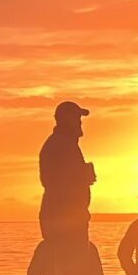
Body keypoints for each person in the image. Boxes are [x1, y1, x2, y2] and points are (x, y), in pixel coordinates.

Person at [38, 101, 95, 239]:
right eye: (77, 118)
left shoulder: (65, 144)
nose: (80, 123)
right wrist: (84, 175)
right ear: (66, 119)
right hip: (65, 221)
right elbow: (59, 183)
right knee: (70, 256)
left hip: (67, 219)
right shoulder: (61, 144)